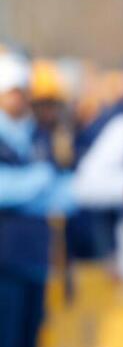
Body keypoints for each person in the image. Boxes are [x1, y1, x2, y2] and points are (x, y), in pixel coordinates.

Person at [0, 51, 73, 347]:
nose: (20, 98)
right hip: (4, 261)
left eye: (22, 91)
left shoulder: (41, 134)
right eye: (13, 92)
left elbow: (61, 195)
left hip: (36, 257)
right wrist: (37, 181)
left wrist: (31, 190)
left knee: (31, 337)